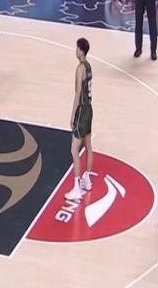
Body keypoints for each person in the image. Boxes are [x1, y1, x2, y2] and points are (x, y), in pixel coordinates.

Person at [65, 38, 93, 201]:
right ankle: (87, 179)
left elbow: (77, 94)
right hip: (90, 109)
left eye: (77, 48)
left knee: (74, 149)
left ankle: (77, 188)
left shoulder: (80, 68)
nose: (75, 51)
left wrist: (72, 115)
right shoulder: (89, 66)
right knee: (88, 146)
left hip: (82, 110)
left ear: (81, 51)